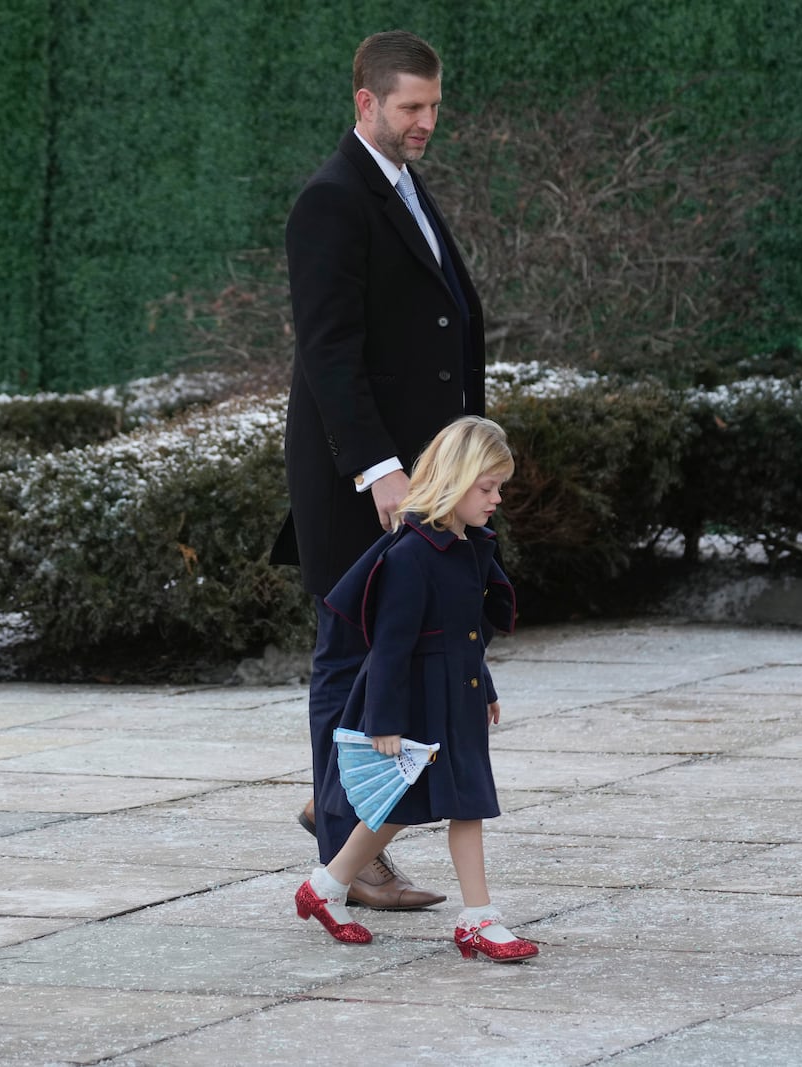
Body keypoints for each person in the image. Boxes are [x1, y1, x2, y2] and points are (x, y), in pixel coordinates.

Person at [271, 29, 487, 911]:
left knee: (395, 662)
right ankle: (344, 852)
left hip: (425, 479)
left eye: (434, 105)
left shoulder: (401, 186)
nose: (426, 121)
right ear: (366, 103)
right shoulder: (331, 199)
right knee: (353, 660)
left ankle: (345, 830)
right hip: (361, 481)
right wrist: (380, 471)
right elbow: (329, 354)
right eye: (411, 107)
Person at [295, 416, 534, 962]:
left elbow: (466, 632)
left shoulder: (471, 547)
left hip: (459, 698)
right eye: (488, 487)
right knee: (401, 805)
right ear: (455, 479)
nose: (496, 499)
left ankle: (327, 888)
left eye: (500, 488)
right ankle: (475, 921)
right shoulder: (409, 556)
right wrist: (383, 721)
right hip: (417, 702)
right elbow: (389, 648)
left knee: (454, 804)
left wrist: (486, 687)